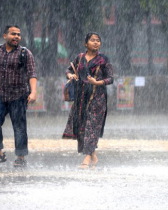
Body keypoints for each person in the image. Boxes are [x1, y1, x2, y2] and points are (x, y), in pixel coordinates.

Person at [0, 25, 37, 167]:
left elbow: (32, 74)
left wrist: (33, 92)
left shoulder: (25, 53)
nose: (17, 37)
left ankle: (20, 157)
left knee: (19, 127)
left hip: (18, 95)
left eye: (19, 34)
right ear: (4, 35)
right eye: (13, 34)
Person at [62, 32, 114, 169]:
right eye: (92, 40)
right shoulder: (79, 58)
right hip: (81, 98)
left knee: (92, 127)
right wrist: (71, 75)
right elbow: (68, 70)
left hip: (97, 98)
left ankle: (87, 158)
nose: (96, 42)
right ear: (86, 43)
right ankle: (94, 156)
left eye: (98, 40)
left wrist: (97, 82)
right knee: (82, 127)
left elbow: (111, 78)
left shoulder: (103, 59)